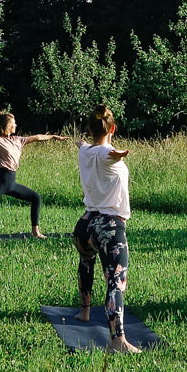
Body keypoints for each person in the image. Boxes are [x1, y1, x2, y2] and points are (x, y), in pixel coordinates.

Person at [73, 105, 139, 354]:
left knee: (86, 261)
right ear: (112, 128)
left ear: (90, 129)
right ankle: (117, 341)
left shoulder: (85, 151)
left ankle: (84, 312)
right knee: (115, 282)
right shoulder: (105, 152)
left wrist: (82, 143)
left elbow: (86, 147)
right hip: (109, 228)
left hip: (85, 225)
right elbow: (110, 154)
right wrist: (119, 153)